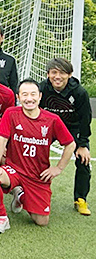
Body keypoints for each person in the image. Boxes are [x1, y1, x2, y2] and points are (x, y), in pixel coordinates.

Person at [0, 79, 76, 233]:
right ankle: (2, 217)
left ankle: (21, 196)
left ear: (40, 96)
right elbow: (2, 139)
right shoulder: (11, 113)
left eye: (33, 94)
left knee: (41, 221)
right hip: (14, 169)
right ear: (18, 97)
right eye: (24, 94)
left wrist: (58, 168)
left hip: (37, 176)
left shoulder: (52, 119)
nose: (29, 99)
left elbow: (70, 144)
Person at [39, 57, 92, 216]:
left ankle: (80, 199)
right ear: (48, 74)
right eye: (54, 72)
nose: (57, 77)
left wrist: (82, 144)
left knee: (83, 160)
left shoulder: (79, 92)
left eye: (62, 73)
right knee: (33, 153)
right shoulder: (42, 88)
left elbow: (85, 119)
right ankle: (29, 191)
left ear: (69, 75)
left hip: (72, 128)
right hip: (50, 127)